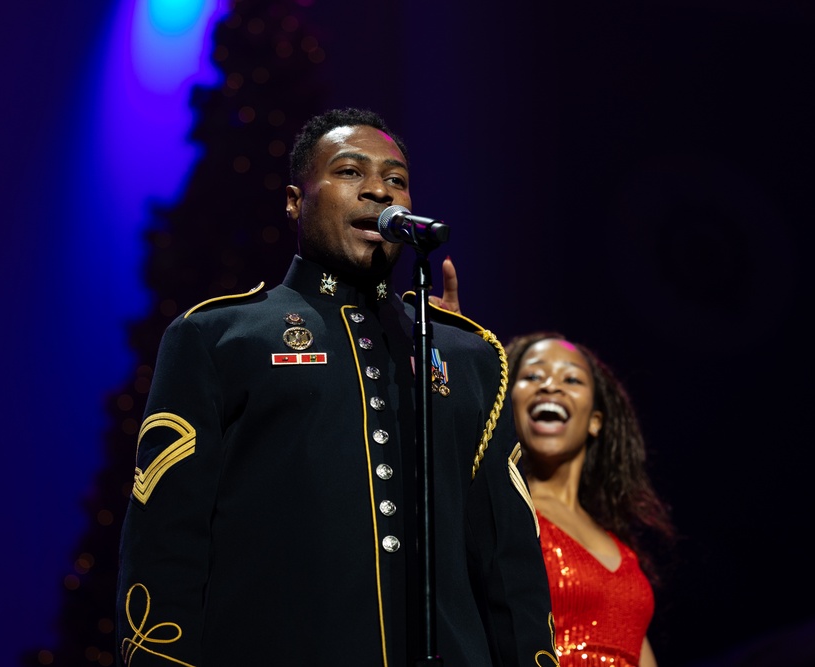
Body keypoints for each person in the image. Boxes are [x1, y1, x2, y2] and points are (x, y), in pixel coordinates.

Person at [116, 107, 557, 666]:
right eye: (350, 172)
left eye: (395, 179)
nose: (377, 190)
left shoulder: (469, 356)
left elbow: (509, 564)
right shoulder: (220, 336)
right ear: (295, 201)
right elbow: (166, 546)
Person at [506, 332, 675, 667]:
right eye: (532, 376)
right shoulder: (506, 514)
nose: (550, 386)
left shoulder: (624, 551)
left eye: (571, 378)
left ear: (595, 421)